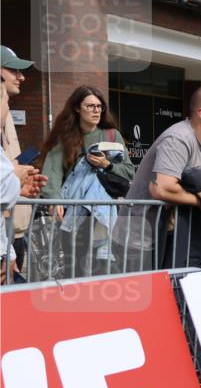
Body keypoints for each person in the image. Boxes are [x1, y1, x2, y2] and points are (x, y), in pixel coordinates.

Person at [112, 86, 201, 271]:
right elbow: (163, 188)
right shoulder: (178, 138)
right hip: (137, 239)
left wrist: (194, 195)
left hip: (166, 238)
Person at [39, 85, 136, 277]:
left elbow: (129, 172)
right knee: (75, 267)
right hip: (74, 211)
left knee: (104, 266)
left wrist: (107, 164)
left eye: (99, 106)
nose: (96, 110)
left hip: (105, 210)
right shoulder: (64, 136)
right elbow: (53, 171)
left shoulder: (111, 135)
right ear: (77, 108)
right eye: (90, 106)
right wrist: (54, 199)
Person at [1, 74, 44, 283]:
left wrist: (15, 185)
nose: (7, 108)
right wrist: (12, 179)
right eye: (4, 102)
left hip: (11, 235)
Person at [2, 46, 35, 270]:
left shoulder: (7, 116)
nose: (21, 77)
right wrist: (14, 177)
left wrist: (18, 183)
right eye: (14, 70)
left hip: (12, 230)